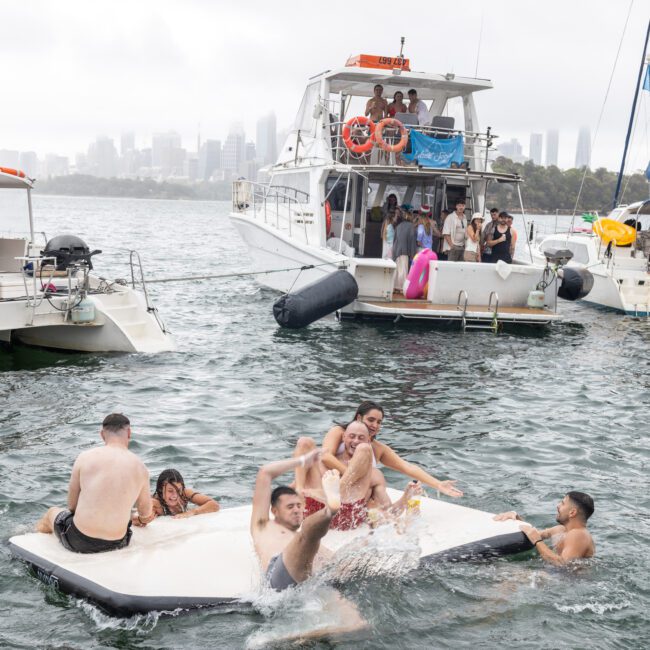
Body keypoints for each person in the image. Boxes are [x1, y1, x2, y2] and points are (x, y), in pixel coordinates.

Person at [36, 413, 154, 553]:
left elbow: (72, 506)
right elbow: (145, 514)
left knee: (51, 513)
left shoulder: (85, 457)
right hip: (119, 542)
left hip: (79, 541)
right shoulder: (141, 467)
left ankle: (32, 540)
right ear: (129, 433)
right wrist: (140, 519)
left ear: (102, 434)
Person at [295, 401, 462, 498]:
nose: (375, 425)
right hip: (328, 484)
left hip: (354, 493)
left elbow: (408, 467)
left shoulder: (378, 449)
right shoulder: (339, 432)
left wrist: (438, 484)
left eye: (379, 422)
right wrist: (351, 473)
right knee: (306, 445)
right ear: (359, 418)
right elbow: (325, 457)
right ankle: (298, 493)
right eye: (371, 420)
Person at [297, 422, 424, 530]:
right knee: (305, 442)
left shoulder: (374, 475)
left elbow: (389, 511)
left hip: (345, 516)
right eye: (352, 436)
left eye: (361, 437)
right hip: (315, 512)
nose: (356, 441)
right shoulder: (326, 461)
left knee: (364, 449)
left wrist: (406, 497)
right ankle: (315, 493)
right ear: (344, 437)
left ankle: (337, 491)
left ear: (368, 440)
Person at [494, 492, 595, 565]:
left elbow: (563, 565)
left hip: (567, 582)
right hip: (552, 575)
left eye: (563, 503)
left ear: (572, 512)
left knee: (508, 576)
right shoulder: (560, 530)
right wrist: (516, 518)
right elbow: (533, 534)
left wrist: (537, 541)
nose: (558, 506)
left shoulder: (579, 534)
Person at [135, 468, 219, 521]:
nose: (175, 495)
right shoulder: (155, 503)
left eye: (178, 490)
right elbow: (137, 518)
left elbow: (214, 505)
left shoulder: (185, 494)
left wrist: (192, 512)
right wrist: (145, 518)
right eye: (170, 491)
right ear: (161, 489)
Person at [392, 209, 417, 291]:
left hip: (396, 250)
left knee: (397, 269)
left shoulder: (398, 226)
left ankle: (394, 286)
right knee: (403, 270)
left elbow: (394, 240)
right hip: (405, 250)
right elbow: (412, 241)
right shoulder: (411, 226)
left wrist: (393, 252)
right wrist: (413, 254)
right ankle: (401, 287)